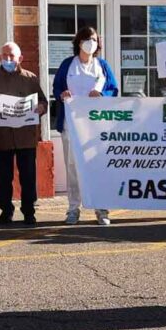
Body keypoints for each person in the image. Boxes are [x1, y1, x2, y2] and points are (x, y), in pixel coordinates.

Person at [52, 27, 119, 225]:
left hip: (96, 127)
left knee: (97, 167)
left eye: (95, 39)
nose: (91, 42)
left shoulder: (102, 66)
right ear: (79, 42)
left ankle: (101, 209)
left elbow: (113, 89)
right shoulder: (67, 65)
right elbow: (57, 87)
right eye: (87, 39)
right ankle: (73, 209)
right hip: (70, 125)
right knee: (73, 168)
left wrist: (102, 95)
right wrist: (62, 94)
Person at [0, 42, 48, 226]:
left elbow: (43, 101)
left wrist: (41, 108)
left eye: (12, 56)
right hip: (2, 137)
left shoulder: (30, 78)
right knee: (4, 178)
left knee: (28, 177)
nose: (8, 59)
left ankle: (29, 211)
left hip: (26, 137)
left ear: (20, 59)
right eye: (5, 55)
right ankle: (5, 211)